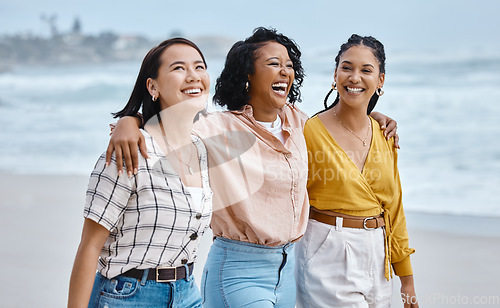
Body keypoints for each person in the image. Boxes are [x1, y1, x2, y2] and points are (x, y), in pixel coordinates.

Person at [106, 27, 399, 307]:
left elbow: (338, 121)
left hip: (286, 273)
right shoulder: (219, 127)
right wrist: (128, 121)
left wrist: (374, 116)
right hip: (238, 270)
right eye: (274, 63)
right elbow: (169, 121)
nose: (285, 71)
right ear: (248, 74)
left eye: (288, 64)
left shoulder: (299, 123)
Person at [67, 38, 213, 307]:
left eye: (200, 67)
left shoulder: (202, 150)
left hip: (188, 294)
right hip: (129, 296)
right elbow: (89, 246)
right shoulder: (130, 151)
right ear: (153, 86)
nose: (194, 76)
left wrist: (130, 119)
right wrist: (129, 121)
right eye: (179, 68)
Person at [295, 34, 418, 308]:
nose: (354, 77)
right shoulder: (308, 131)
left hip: (378, 255)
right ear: (335, 73)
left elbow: (395, 208)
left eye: (366, 70)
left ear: (380, 80)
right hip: (328, 251)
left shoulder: (385, 134)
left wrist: (406, 280)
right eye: (347, 67)